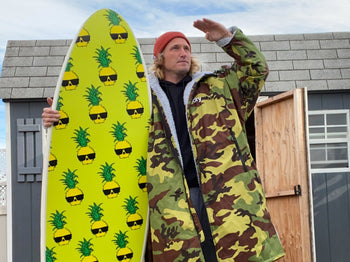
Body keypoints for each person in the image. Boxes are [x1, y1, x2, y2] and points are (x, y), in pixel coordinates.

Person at [43, 18, 285, 262]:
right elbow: (102, 135)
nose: (183, 53)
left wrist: (227, 39)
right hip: (171, 202)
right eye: (175, 48)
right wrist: (62, 120)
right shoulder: (136, 102)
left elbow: (256, 69)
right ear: (159, 57)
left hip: (227, 195)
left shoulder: (218, 87)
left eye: (187, 48)